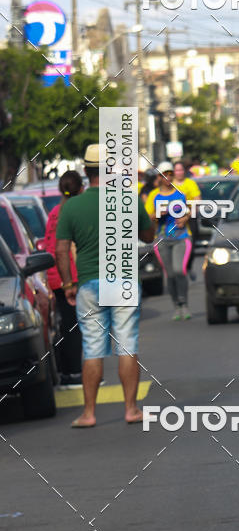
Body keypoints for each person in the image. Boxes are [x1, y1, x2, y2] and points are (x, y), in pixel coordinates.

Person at [55, 144, 155, 428]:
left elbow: (61, 250)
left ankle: (88, 413)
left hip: (88, 282)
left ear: (86, 172)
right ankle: (131, 409)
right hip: (123, 281)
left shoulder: (71, 205)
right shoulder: (128, 199)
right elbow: (148, 236)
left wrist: (67, 283)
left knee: (93, 347)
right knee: (126, 344)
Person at [42, 170, 84, 389]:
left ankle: (66, 372)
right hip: (69, 275)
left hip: (53, 275)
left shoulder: (55, 212)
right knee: (74, 326)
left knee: (65, 325)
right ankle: (75, 374)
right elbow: (70, 249)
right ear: (81, 189)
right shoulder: (74, 211)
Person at [146, 161, 193, 320]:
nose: (168, 177)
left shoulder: (181, 192)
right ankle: (176, 306)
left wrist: (185, 218)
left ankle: (184, 303)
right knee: (171, 274)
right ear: (159, 177)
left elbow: (189, 210)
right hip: (162, 240)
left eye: (170, 174)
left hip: (181, 237)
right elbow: (147, 218)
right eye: (164, 174)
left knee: (180, 270)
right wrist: (158, 214)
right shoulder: (154, 195)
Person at [172, 160, 201, 279]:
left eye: (181, 170)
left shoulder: (190, 183)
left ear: (184, 171)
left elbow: (197, 201)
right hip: (172, 219)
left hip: (189, 218)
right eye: (176, 170)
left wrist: (187, 216)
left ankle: (188, 267)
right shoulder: (170, 184)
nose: (179, 172)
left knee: (191, 245)